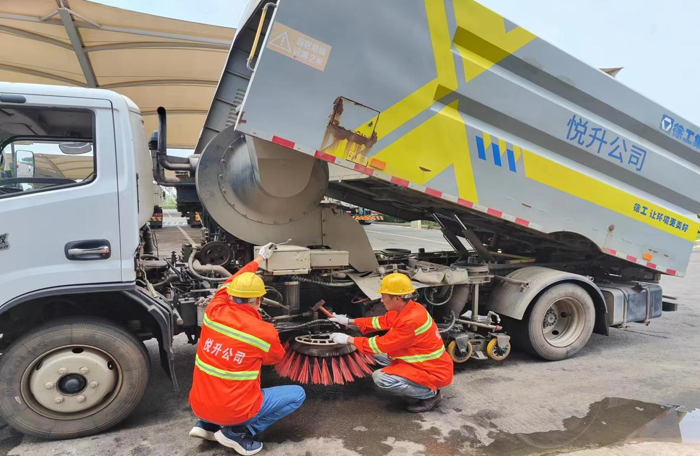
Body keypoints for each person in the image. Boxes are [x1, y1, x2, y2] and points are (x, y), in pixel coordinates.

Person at [189, 242, 305, 455]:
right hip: (235, 411)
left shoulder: (214, 309)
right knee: (297, 394)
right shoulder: (264, 332)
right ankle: (238, 433)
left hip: (199, 405)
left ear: (231, 294)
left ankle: (206, 425)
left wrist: (259, 258)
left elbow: (231, 281)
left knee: (216, 376)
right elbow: (274, 359)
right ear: (259, 300)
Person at [328, 272, 453, 412]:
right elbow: (380, 322)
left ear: (397, 298)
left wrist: (348, 339)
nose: (381, 300)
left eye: (384, 296)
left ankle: (430, 394)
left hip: (430, 370)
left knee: (381, 378)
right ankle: (414, 383)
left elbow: (380, 344)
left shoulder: (411, 320)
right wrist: (348, 321)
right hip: (416, 359)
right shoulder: (407, 308)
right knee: (370, 352)